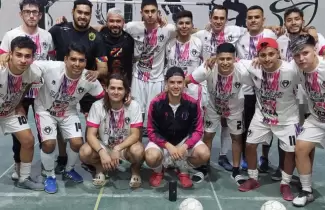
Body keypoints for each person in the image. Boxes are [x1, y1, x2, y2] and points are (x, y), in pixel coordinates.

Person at [32, 43, 103, 194]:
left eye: (81, 60)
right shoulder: (50, 67)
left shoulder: (89, 78)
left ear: (85, 62)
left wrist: (127, 99)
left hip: (68, 111)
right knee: (49, 144)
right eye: (73, 59)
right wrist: (5, 57)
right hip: (45, 110)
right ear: (65, 59)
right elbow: (27, 63)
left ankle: (69, 169)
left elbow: (104, 97)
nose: (77, 64)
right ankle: (50, 175)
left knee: (77, 143)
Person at [49, 0, 108, 174]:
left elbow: (103, 67)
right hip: (62, 85)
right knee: (60, 120)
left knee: (93, 122)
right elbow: (41, 47)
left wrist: (97, 73)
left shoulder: (96, 37)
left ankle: (90, 155)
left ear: (90, 15)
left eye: (86, 13)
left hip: (85, 84)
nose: (83, 16)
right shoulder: (59, 30)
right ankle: (62, 157)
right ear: (73, 11)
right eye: (79, 12)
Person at [238, 38, 300, 201]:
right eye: (263, 55)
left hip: (287, 118)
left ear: (279, 53)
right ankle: (253, 178)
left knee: (290, 151)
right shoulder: (254, 66)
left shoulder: (292, 69)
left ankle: (285, 183)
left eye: (271, 54)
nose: (267, 59)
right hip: (263, 115)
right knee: (250, 145)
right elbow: (233, 60)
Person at [0, 0, 54, 181]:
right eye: (27, 12)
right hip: (12, 92)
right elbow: (3, 59)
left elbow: (50, 62)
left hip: (36, 90)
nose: (31, 15)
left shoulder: (46, 36)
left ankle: (44, 169)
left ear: (40, 15)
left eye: (35, 12)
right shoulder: (10, 35)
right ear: (21, 14)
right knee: (19, 137)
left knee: (38, 133)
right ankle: (18, 166)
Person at [187, 43, 253, 185]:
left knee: (236, 138)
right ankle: (204, 167)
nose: (225, 62)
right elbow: (187, 80)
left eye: (229, 59)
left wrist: (259, 60)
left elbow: (261, 68)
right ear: (216, 58)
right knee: (208, 135)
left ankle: (236, 171)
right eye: (221, 59)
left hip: (234, 109)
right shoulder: (208, 68)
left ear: (235, 59)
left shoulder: (242, 69)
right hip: (213, 106)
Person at [145, 67, 210, 188]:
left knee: (204, 154)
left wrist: (185, 145)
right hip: (163, 142)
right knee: (151, 157)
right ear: (166, 83)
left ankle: (182, 168)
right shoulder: (156, 103)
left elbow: (198, 130)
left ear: (184, 83)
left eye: (179, 82)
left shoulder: (193, 104)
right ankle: (159, 170)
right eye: (172, 82)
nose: (176, 86)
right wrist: (168, 146)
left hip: (183, 141)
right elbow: (151, 131)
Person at [79, 74, 144, 188]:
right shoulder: (97, 106)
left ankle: (135, 170)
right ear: (106, 89)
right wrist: (101, 152)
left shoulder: (134, 106)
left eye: (120, 88)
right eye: (112, 88)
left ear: (126, 91)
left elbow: (135, 135)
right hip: (105, 145)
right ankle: (100, 168)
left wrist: (118, 148)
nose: (116, 92)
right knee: (84, 152)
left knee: (138, 150)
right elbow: (90, 135)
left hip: (124, 147)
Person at [124, 0, 176, 134]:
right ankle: (137, 147)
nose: (150, 15)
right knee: (137, 114)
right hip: (139, 77)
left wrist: (209, 27)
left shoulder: (168, 29)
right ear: (141, 13)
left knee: (156, 115)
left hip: (156, 79)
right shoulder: (132, 27)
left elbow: (187, 30)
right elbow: (110, 27)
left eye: (153, 11)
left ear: (158, 12)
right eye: (146, 12)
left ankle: (155, 149)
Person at [235, 5, 277, 172]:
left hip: (268, 87)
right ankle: (246, 156)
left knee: (270, 122)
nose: (253, 20)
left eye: (256, 17)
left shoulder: (271, 34)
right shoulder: (240, 37)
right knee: (248, 122)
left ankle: (264, 158)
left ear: (263, 19)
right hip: (247, 88)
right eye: (250, 17)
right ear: (246, 20)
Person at [0, 36, 44, 190]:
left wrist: (18, 104)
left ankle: (24, 178)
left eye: (27, 56)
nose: (23, 60)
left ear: (33, 57)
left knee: (28, 140)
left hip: (9, 112)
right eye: (18, 55)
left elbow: (25, 88)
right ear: (10, 54)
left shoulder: (34, 73)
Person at [289, 34, 325, 207]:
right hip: (317, 118)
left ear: (315, 50)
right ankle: (306, 191)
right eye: (297, 55)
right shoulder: (297, 68)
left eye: (305, 53)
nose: (301, 58)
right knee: (301, 147)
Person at [94, 8, 134, 84]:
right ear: (106, 22)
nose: (115, 24)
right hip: (103, 84)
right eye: (111, 21)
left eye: (118, 21)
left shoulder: (130, 39)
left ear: (123, 22)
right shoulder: (99, 38)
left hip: (124, 85)